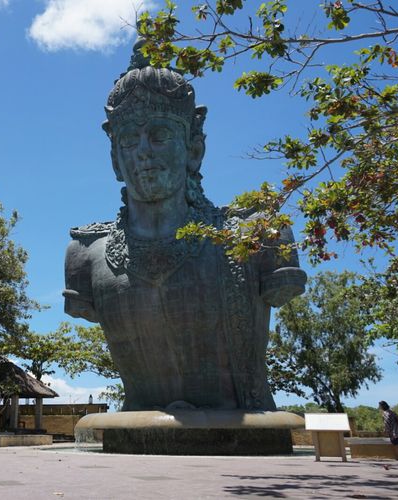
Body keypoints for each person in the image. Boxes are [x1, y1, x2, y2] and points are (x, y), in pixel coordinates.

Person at [63, 39, 306, 411]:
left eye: (159, 135)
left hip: (247, 443)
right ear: (115, 158)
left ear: (194, 148)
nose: (143, 150)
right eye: (129, 140)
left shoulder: (257, 234)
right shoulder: (85, 253)